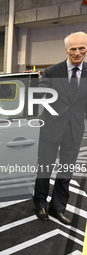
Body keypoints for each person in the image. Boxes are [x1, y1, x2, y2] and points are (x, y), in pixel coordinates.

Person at [33, 31, 87, 225]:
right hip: (51, 130)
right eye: (73, 49)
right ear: (66, 50)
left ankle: (58, 208)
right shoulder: (51, 72)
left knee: (66, 171)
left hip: (74, 131)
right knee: (44, 169)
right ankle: (40, 203)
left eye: (82, 48)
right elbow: (39, 97)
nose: (78, 53)